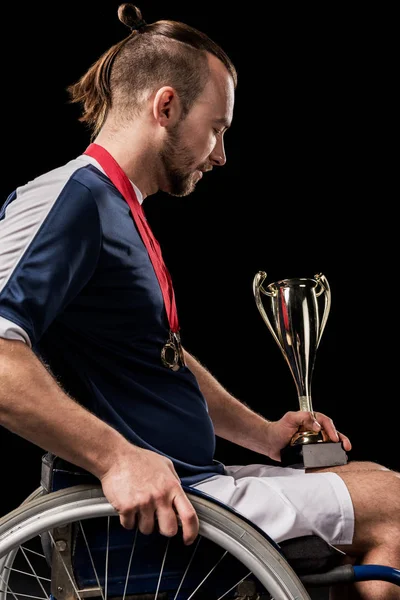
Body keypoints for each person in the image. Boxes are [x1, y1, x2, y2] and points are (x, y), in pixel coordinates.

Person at [0, 4, 398, 599]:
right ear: (165, 107)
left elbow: (160, 361)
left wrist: (264, 434)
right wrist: (116, 459)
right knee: (392, 503)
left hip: (196, 482)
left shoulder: (119, 207)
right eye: (218, 128)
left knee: (369, 482)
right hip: (152, 517)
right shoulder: (72, 199)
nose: (220, 154)